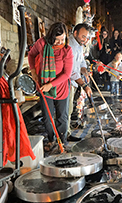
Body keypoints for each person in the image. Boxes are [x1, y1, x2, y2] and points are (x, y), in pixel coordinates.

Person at [28, 22, 73, 150]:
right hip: (43, 87)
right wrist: (33, 72)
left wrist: (51, 84)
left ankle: (62, 140)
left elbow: (67, 73)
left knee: (62, 117)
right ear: (51, 36)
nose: (60, 42)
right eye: (57, 39)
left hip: (61, 88)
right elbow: (31, 55)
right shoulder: (42, 43)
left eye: (63, 39)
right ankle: (51, 139)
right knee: (47, 116)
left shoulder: (67, 50)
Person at [68, 23, 92, 141]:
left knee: (69, 109)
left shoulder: (79, 44)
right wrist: (84, 85)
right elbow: (71, 71)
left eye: (87, 37)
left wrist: (84, 69)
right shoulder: (70, 46)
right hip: (66, 81)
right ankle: (64, 136)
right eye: (83, 36)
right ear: (75, 33)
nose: (85, 40)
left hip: (74, 81)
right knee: (65, 111)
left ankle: (66, 131)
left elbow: (81, 61)